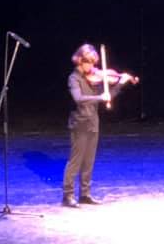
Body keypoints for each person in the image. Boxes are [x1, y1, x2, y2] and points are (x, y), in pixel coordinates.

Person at [62, 43, 135, 207]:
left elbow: (108, 96)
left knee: (89, 160)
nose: (92, 66)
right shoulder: (74, 78)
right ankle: (68, 195)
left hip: (93, 122)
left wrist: (120, 84)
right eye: (89, 61)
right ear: (80, 60)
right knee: (76, 160)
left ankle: (85, 194)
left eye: (94, 62)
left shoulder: (95, 79)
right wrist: (99, 97)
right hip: (79, 123)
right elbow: (78, 99)